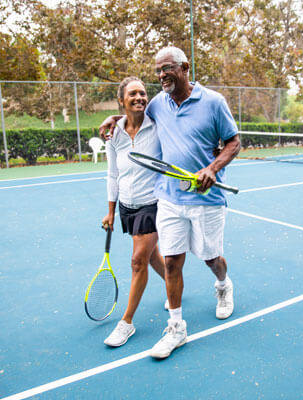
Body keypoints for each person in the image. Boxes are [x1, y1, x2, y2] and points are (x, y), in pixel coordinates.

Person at [99, 47, 241, 359]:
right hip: (169, 199)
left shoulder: (214, 102)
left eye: (167, 69)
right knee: (173, 261)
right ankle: (176, 327)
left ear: (185, 67)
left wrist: (212, 169)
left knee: (210, 258)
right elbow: (134, 113)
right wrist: (116, 117)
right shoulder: (158, 105)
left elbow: (234, 141)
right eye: (158, 70)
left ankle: (223, 284)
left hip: (207, 200)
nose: (162, 75)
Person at [101, 76, 167, 348]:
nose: (139, 97)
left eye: (142, 93)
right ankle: (173, 282)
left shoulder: (158, 124)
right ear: (122, 100)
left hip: (154, 202)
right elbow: (112, 174)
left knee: (138, 261)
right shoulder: (113, 133)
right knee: (151, 257)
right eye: (132, 94)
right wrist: (110, 211)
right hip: (127, 205)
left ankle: (126, 322)